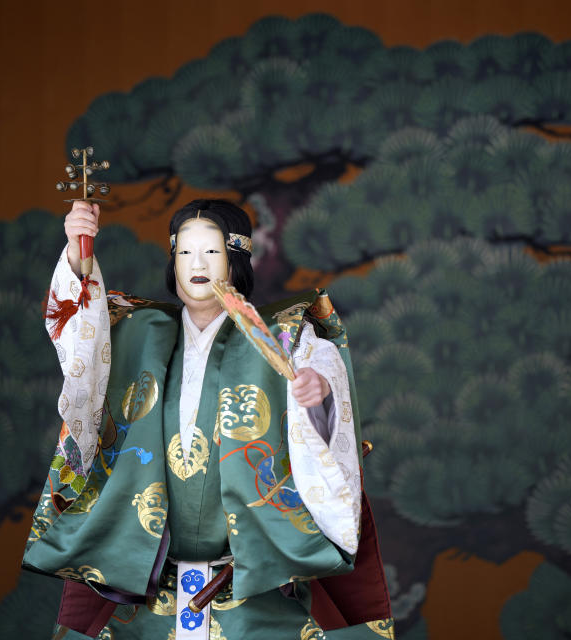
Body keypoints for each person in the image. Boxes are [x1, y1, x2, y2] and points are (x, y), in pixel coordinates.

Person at [23, 199, 393, 639]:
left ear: (236, 259)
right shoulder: (133, 332)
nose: (196, 264)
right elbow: (81, 334)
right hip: (152, 586)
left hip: (253, 588)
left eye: (212, 252)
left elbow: (322, 372)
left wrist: (319, 393)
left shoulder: (285, 333)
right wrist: (77, 256)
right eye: (185, 253)